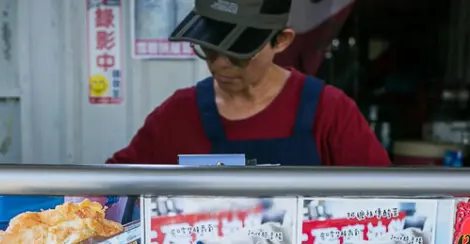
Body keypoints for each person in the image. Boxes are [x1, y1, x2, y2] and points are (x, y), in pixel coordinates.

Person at [108, 0, 390, 167]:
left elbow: (385, 200)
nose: (219, 64)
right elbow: (112, 187)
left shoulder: (330, 112)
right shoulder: (177, 115)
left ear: (281, 41)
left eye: (237, 53)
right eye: (209, 48)